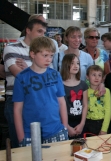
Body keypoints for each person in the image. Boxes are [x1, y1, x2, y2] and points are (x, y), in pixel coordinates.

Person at [13, 36, 68, 147]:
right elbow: (17, 109)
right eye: (45, 55)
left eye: (51, 56)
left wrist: (65, 127)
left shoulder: (55, 75)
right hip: (30, 133)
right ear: (33, 54)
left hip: (56, 130)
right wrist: (21, 137)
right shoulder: (21, 78)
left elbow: (61, 103)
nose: (49, 59)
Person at [3, 19, 47, 148]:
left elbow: (48, 77)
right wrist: (35, 70)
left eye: (44, 32)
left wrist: (26, 67)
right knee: (20, 144)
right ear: (28, 30)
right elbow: (20, 76)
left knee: (37, 145)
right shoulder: (11, 48)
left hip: (38, 100)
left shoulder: (43, 53)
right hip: (16, 100)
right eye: (39, 31)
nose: (42, 35)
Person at [61, 54, 88, 139]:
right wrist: (67, 127)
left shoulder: (83, 84)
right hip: (66, 121)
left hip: (80, 121)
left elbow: (85, 105)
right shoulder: (60, 85)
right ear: (66, 65)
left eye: (78, 63)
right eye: (72, 63)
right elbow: (59, 108)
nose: (76, 66)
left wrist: (82, 124)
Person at [85, 65, 111, 135]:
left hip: (102, 123)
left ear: (102, 78)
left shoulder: (106, 91)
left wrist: (104, 129)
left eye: (99, 75)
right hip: (88, 123)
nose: (97, 78)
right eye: (94, 75)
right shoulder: (85, 91)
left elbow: (108, 111)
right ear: (87, 77)